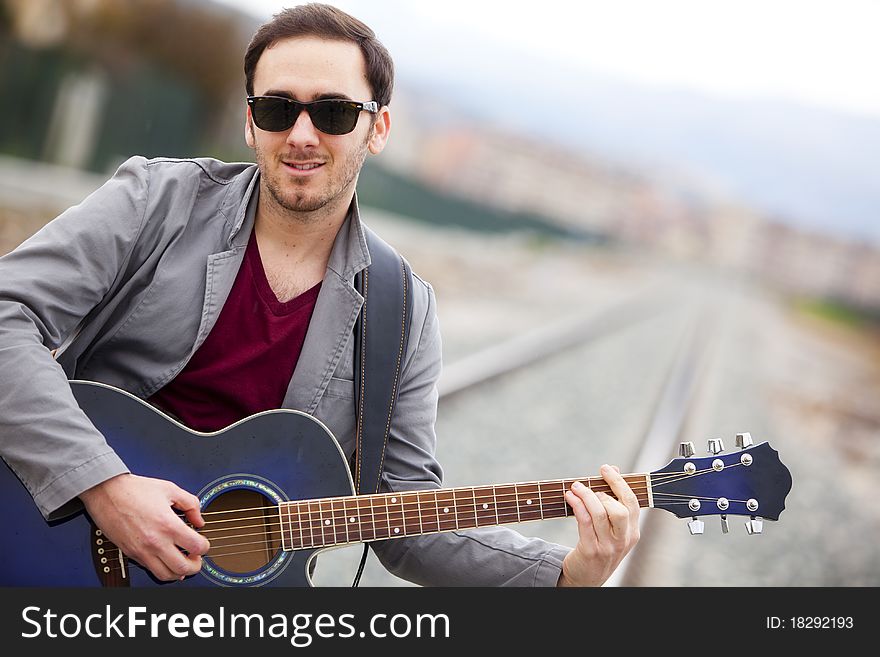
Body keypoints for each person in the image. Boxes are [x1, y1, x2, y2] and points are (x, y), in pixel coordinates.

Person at [0, 3, 639, 586]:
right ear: (251, 123)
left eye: (332, 112)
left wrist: (565, 574)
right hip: (54, 551)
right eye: (278, 109)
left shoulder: (404, 313)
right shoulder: (154, 202)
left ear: (378, 128)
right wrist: (105, 486)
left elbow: (403, 519)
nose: (302, 134)